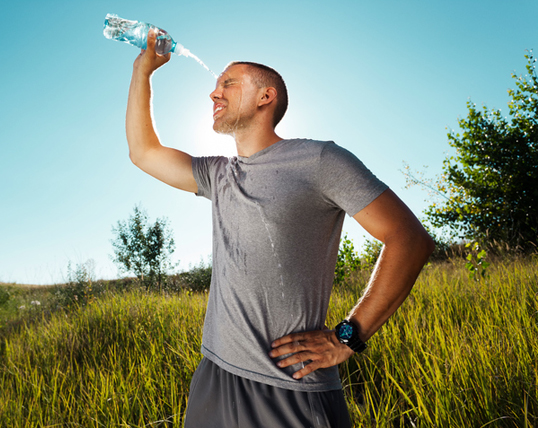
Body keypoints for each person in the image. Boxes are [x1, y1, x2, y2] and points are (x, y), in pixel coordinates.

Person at [125, 30, 435, 428]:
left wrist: (349, 336)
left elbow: (409, 239)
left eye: (228, 84)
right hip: (215, 376)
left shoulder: (320, 160)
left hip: (290, 388)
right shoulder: (218, 175)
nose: (213, 94)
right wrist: (142, 71)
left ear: (264, 97)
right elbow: (143, 152)